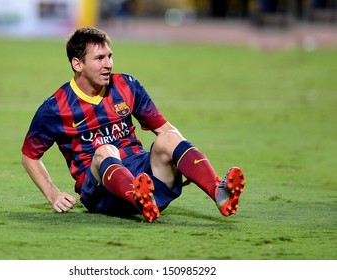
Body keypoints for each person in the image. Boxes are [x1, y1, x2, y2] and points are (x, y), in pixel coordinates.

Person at [21, 27, 245, 223]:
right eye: (99, 58)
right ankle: (139, 199)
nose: (108, 64)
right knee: (105, 150)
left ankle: (218, 192)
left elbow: (166, 130)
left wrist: (184, 164)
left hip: (146, 179)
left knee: (168, 137)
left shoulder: (127, 86)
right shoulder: (55, 108)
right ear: (77, 64)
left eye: (110, 56)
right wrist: (52, 194)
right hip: (102, 194)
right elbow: (29, 155)